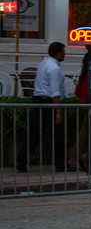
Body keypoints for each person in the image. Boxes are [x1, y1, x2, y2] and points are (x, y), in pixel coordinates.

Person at [16, 42, 67, 172]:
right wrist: (58, 112)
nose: (65, 54)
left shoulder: (43, 64)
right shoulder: (54, 69)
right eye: (63, 52)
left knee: (35, 133)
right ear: (58, 53)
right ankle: (60, 164)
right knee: (58, 135)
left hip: (38, 100)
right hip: (48, 102)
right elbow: (54, 92)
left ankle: (22, 159)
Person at [67, 53, 90, 170]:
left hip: (84, 105)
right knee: (85, 132)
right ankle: (75, 157)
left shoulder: (83, 75)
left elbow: (77, 92)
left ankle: (82, 156)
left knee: (85, 132)